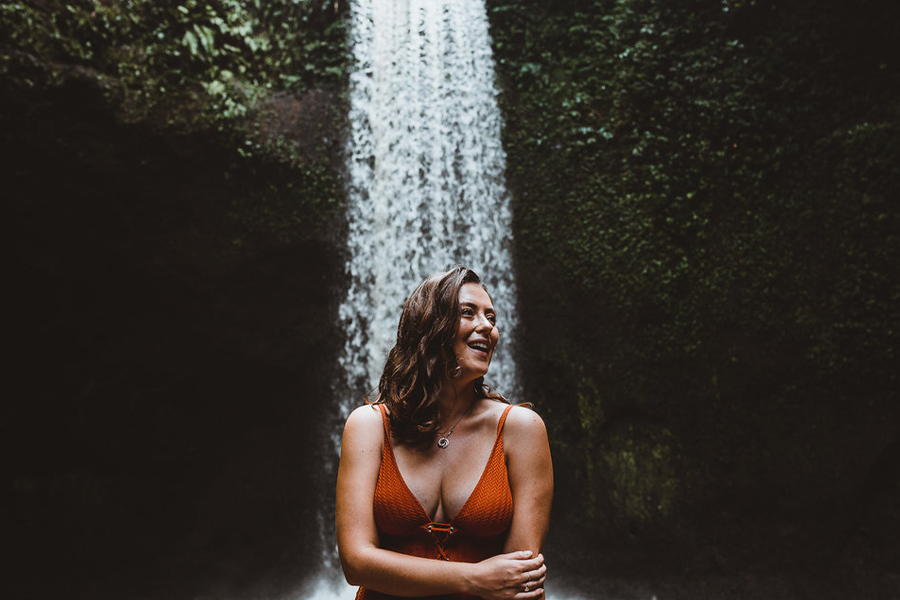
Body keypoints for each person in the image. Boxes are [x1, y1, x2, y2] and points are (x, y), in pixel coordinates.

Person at [336, 266, 554, 600]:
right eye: (468, 312)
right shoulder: (369, 426)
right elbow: (356, 563)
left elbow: (517, 578)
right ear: (429, 325)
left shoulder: (521, 429)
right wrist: (475, 578)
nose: (488, 327)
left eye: (491, 317)